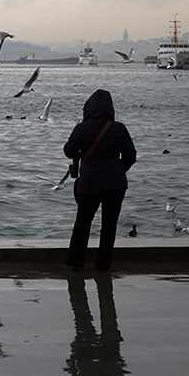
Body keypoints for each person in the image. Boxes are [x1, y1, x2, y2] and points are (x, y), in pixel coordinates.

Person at [64, 89, 136, 272]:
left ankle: (75, 264)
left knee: (82, 223)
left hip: (89, 184)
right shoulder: (119, 128)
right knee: (109, 226)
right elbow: (130, 156)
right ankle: (103, 266)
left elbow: (69, 152)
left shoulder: (82, 128)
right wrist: (118, 170)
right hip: (116, 185)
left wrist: (76, 129)